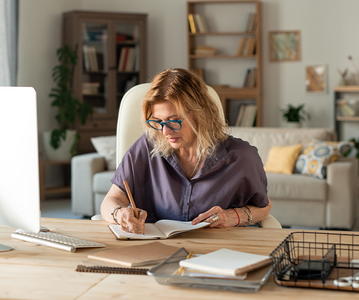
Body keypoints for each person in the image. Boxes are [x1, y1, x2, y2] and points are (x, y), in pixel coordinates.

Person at [100, 68, 271, 234]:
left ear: (200, 114)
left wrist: (234, 216)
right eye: (158, 121)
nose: (165, 132)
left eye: (173, 121)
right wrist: (119, 213)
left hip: (218, 252)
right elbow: (110, 201)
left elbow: (263, 207)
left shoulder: (242, 156)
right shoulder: (146, 146)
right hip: (155, 249)